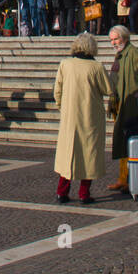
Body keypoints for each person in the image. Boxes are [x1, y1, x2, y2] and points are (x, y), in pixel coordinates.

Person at [54, 32, 110, 204]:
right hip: (90, 116)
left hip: (70, 116)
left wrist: (62, 107)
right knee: (89, 154)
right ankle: (84, 193)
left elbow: (57, 90)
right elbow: (108, 89)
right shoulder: (96, 67)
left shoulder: (65, 64)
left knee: (68, 155)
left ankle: (62, 191)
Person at [107, 25, 138, 193]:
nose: (114, 42)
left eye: (116, 39)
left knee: (128, 140)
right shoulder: (120, 55)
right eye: (111, 40)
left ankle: (129, 179)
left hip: (131, 106)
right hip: (120, 104)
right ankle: (122, 178)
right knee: (121, 141)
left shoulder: (133, 53)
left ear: (125, 38)